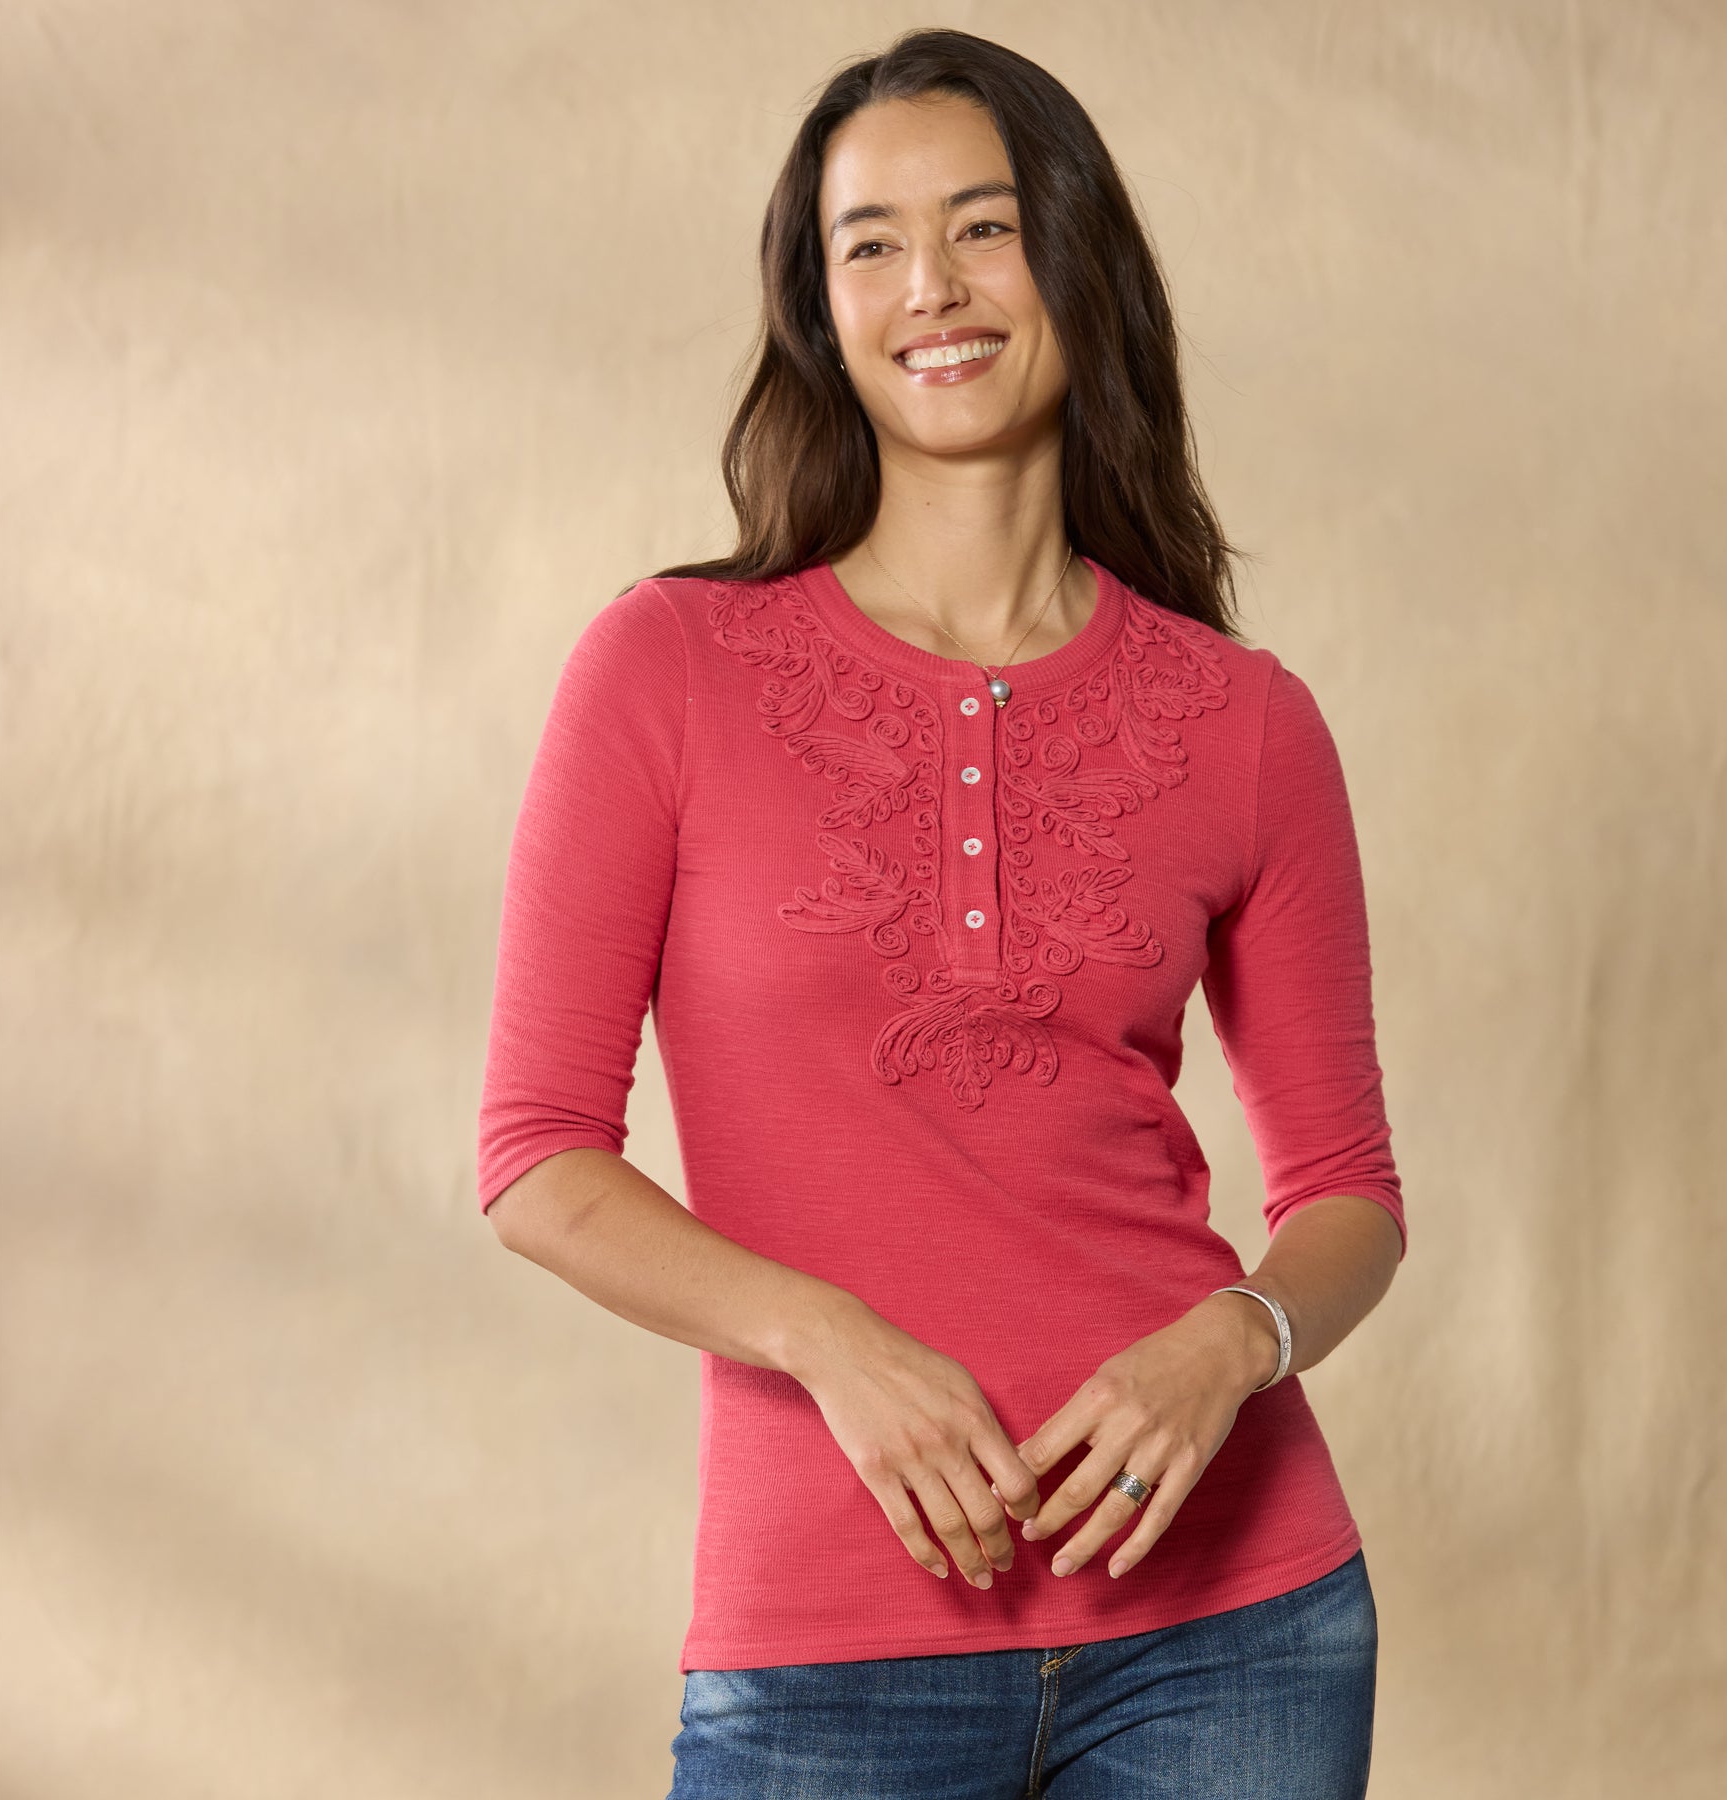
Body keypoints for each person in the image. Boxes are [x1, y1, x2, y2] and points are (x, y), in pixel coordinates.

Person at [477, 26, 1408, 1799]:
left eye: (984, 227)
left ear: (1075, 259)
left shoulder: (1246, 720)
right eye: (873, 243)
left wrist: (1235, 1342)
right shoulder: (668, 669)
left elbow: (1349, 1193)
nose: (934, 287)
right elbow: (536, 1160)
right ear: (821, 310)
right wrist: (829, 1341)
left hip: (1238, 1633)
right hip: (826, 1648)